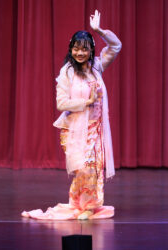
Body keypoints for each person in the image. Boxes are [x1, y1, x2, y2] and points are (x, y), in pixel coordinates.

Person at [21, 10, 121, 220]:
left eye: (84, 49)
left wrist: (100, 31)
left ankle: (88, 206)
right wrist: (86, 102)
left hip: (96, 127)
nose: (80, 53)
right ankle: (79, 202)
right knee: (82, 168)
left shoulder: (97, 67)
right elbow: (61, 103)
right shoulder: (66, 72)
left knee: (93, 169)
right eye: (76, 49)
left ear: (91, 51)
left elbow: (115, 46)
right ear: (71, 49)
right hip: (73, 128)